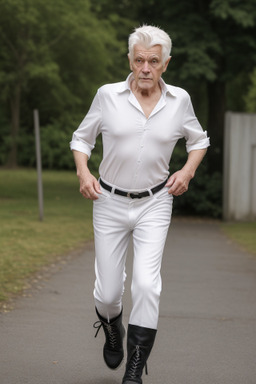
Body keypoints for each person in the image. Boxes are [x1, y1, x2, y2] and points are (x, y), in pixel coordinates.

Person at [70, 25, 210, 384]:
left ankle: (135, 367)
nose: (145, 68)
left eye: (153, 61)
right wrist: (84, 174)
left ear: (165, 63)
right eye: (139, 60)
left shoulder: (180, 101)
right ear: (130, 61)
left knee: (147, 285)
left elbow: (199, 140)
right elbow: (81, 139)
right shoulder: (107, 96)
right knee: (108, 293)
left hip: (156, 202)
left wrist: (187, 171)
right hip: (108, 200)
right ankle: (112, 325)